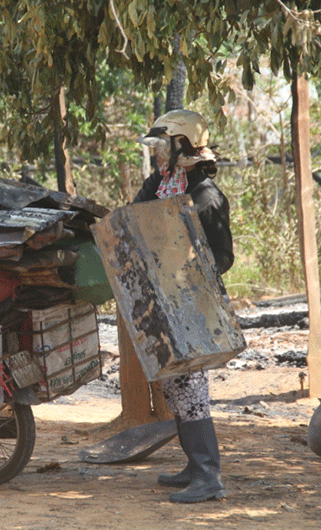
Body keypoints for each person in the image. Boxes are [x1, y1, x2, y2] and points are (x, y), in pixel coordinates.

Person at [133, 109, 233, 504]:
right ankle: (195, 466)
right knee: (175, 387)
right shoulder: (161, 183)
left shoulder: (207, 196)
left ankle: (209, 477)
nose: (157, 153)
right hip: (163, 301)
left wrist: (189, 271)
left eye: (163, 145)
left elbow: (224, 257)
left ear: (182, 145)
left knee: (191, 390)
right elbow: (135, 217)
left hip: (192, 306)